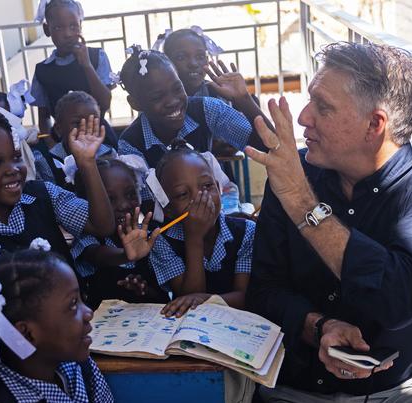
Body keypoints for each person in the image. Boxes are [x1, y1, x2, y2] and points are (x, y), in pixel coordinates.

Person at [245, 42, 412, 403]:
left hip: (409, 390)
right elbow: (264, 289)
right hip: (303, 394)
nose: (304, 118)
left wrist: (303, 204)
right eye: (309, 102)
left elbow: (400, 300)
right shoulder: (293, 173)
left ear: (375, 124)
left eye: (323, 107)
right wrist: (319, 327)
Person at [0, 105, 114, 267]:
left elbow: (102, 226)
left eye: (16, 158)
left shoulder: (43, 194)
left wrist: (86, 163)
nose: (12, 170)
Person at [0, 250, 115, 403]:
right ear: (26, 333)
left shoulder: (77, 366)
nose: (88, 313)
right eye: (73, 304)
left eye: (81, 298)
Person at [145, 141, 254, 317]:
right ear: (169, 210)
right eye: (182, 194)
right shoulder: (162, 241)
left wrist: (202, 299)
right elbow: (185, 302)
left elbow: (245, 299)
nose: (200, 198)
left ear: (219, 188)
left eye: (207, 186)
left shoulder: (246, 232)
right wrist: (194, 238)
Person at [116, 46, 262, 169]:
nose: (173, 101)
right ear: (135, 103)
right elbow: (143, 200)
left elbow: (267, 145)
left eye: (177, 88)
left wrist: (244, 99)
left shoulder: (205, 109)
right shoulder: (130, 144)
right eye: (157, 97)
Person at [72, 156, 168, 308]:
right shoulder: (87, 239)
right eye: (109, 199)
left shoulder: (151, 236)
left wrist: (144, 290)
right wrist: (126, 255)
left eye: (131, 194)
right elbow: (97, 255)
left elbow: (164, 296)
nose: (124, 205)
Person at [30, 0, 115, 140]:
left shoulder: (96, 57)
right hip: (63, 145)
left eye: (73, 26)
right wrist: (51, 144)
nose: (68, 34)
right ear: (46, 30)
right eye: (58, 28)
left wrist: (87, 66)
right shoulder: (42, 71)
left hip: (100, 139)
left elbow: (105, 103)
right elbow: (44, 116)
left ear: (80, 25)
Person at [33, 91, 116, 189]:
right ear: (59, 129)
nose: (85, 129)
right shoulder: (47, 162)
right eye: (77, 123)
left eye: (92, 122)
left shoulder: (109, 154)